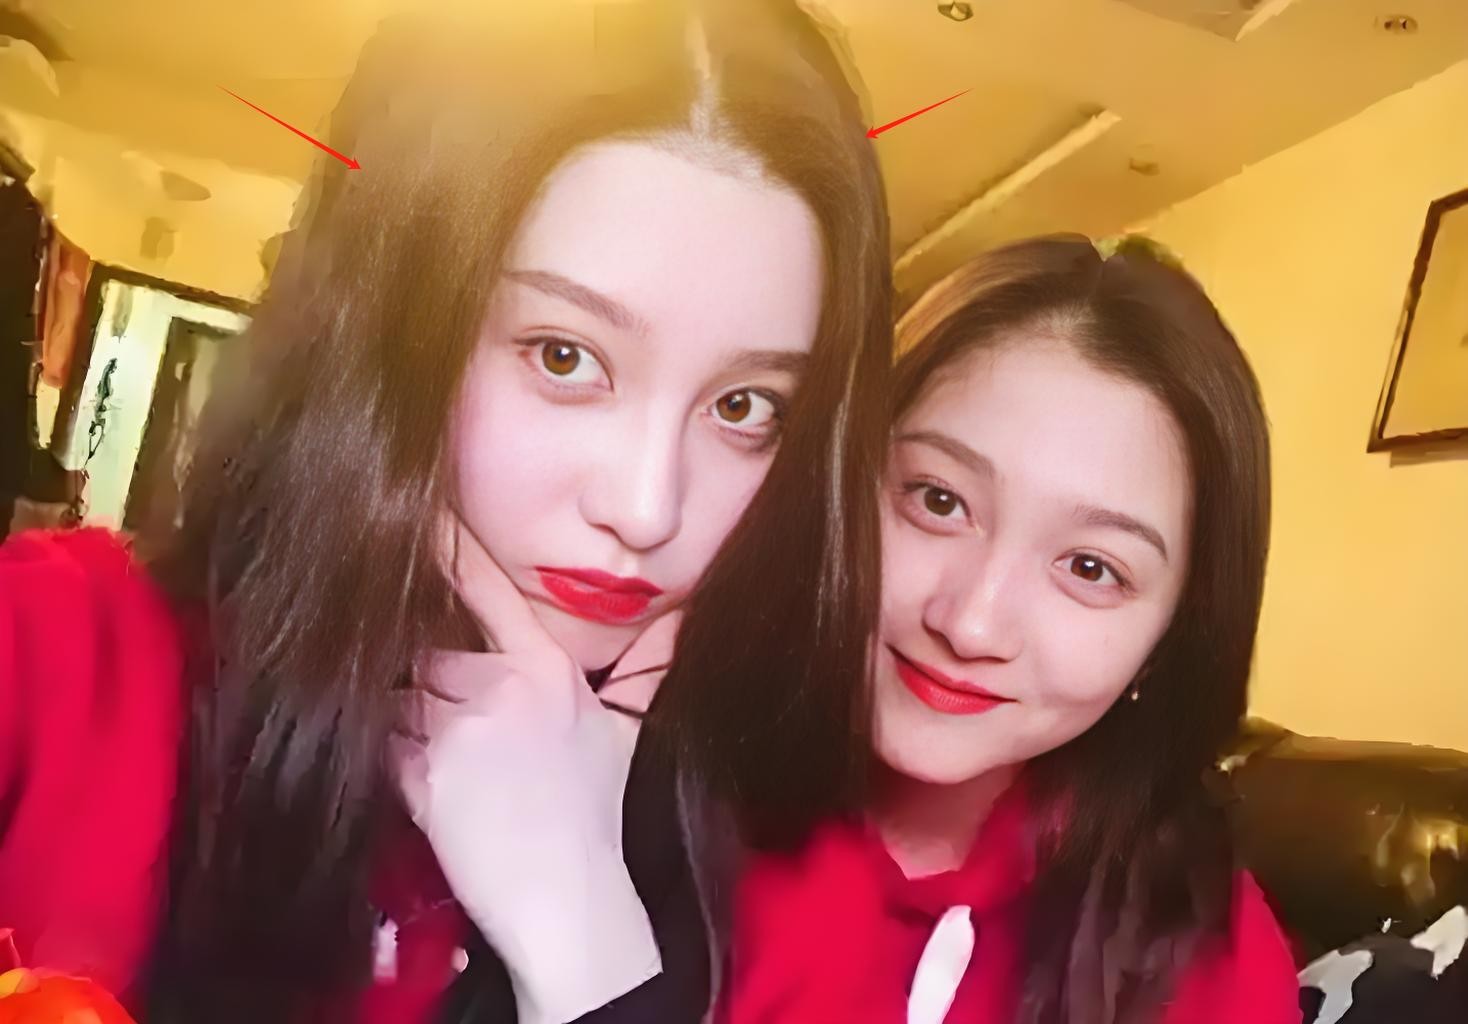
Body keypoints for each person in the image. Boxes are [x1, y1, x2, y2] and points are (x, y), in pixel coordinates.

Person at [0, 1, 891, 1021]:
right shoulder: (60, 660)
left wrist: (586, 939)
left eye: (744, 407)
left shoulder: (795, 892)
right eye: (564, 356)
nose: (647, 508)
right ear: (386, 329)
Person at [717, 235, 1302, 1023]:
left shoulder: (1207, 958)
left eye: (1091, 567)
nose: (971, 624)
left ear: (1171, 640)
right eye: (938, 500)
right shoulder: (644, 788)